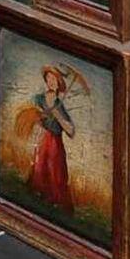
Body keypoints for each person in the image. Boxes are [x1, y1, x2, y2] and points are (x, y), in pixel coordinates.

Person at [17, 63, 82, 212]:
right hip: (43, 138)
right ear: (46, 81)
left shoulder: (59, 105)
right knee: (40, 166)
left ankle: (55, 202)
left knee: (55, 170)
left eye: (54, 79)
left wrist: (57, 115)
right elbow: (29, 114)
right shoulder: (39, 99)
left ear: (59, 84)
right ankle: (38, 197)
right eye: (49, 78)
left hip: (55, 142)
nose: (51, 82)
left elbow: (71, 131)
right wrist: (39, 117)